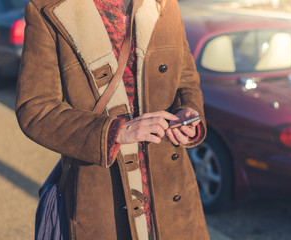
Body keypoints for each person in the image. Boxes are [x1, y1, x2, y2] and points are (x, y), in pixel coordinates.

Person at [15, 0, 209, 239]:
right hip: (101, 195)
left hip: (173, 195)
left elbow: (186, 80)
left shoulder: (164, 3)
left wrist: (188, 112)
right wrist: (118, 131)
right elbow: (35, 109)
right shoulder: (48, 9)